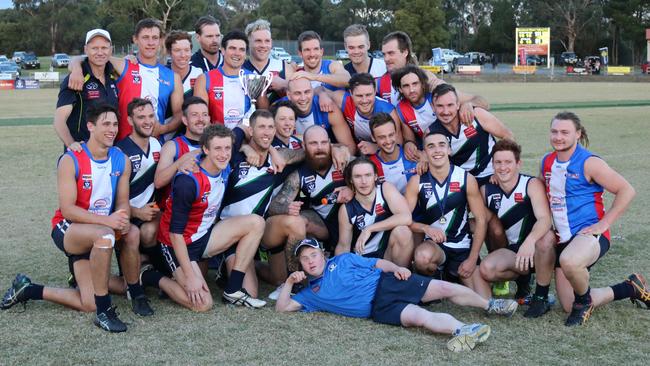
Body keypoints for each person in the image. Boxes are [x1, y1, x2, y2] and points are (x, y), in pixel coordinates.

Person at [2, 104, 151, 332]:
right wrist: (108, 222)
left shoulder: (121, 160)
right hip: (70, 229)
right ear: (90, 126)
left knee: (130, 233)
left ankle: (28, 289)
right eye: (106, 124)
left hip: (103, 231)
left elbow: (122, 200)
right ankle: (104, 312)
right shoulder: (71, 159)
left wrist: (120, 216)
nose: (112, 129)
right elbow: (68, 209)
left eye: (114, 124)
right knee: (105, 236)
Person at [276, 238, 519, 352]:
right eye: (305, 259)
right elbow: (282, 308)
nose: (310, 261)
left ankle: (490, 304)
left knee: (444, 289)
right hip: (378, 310)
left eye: (313, 255)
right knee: (420, 317)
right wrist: (288, 282)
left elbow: (377, 263)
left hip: (388, 283)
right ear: (300, 265)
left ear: (323, 255)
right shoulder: (310, 294)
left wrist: (397, 268)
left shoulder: (343, 260)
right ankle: (464, 330)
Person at [540, 111, 647, 326]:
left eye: (565, 132)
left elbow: (627, 190)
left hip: (589, 236)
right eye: (554, 131)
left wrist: (604, 224)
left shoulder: (589, 162)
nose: (558, 137)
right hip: (563, 238)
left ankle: (583, 303)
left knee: (569, 261)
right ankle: (630, 288)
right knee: (569, 304)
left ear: (577, 134)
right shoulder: (547, 161)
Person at [156, 124, 267, 309]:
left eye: (227, 148)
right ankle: (152, 277)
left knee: (257, 223)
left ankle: (233, 290)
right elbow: (175, 234)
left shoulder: (225, 162)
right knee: (203, 304)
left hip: (205, 236)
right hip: (177, 243)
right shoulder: (188, 180)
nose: (223, 154)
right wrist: (190, 277)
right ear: (205, 149)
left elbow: (244, 129)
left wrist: (249, 147)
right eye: (217, 149)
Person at [69, 19, 184, 142]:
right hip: (122, 146)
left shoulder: (173, 77)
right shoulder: (123, 65)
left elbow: (179, 114)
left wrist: (163, 129)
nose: (150, 42)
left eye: (155, 38)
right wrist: (76, 69)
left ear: (161, 41)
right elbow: (88, 57)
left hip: (155, 148)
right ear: (135, 39)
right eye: (145, 37)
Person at [266, 125, 353, 288]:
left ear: (330, 143)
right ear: (304, 146)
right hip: (323, 225)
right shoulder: (299, 175)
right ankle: (296, 279)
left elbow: (370, 180)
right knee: (298, 220)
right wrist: (287, 208)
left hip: (352, 224)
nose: (319, 148)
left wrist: (353, 189)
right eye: (313, 143)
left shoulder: (345, 161)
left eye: (323, 143)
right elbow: (275, 205)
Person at [406, 132, 491, 299]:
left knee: (485, 299)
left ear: (450, 150)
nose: (437, 150)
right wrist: (425, 228)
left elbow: (481, 220)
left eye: (441, 145)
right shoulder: (417, 181)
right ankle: (437, 274)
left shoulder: (466, 178)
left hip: (462, 247)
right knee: (423, 258)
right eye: (431, 146)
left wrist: (473, 258)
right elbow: (404, 220)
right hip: (435, 246)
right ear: (425, 152)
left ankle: (452, 275)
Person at [477, 139, 555, 317]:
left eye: (508, 162)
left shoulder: (531, 184)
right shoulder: (487, 190)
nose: (503, 167)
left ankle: (540, 297)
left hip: (537, 248)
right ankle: (524, 277)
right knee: (486, 269)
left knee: (546, 238)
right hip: (512, 251)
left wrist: (529, 242)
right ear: (492, 164)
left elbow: (544, 219)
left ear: (518, 163)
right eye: (498, 162)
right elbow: (480, 221)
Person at [429, 84, 513, 187]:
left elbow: (508, 136)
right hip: (463, 182)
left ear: (458, 104)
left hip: (492, 174)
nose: (446, 112)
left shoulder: (475, 114)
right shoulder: (431, 132)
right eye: (440, 106)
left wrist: (500, 170)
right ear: (432, 107)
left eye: (450, 105)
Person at [336, 157, 414, 267]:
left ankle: (400, 278)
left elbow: (406, 217)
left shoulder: (385, 189)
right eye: (358, 176)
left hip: (388, 253)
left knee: (403, 231)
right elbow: (343, 246)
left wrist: (369, 229)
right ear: (351, 180)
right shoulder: (346, 209)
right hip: (364, 261)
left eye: (368, 175)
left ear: (375, 176)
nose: (364, 181)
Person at [115, 98, 163, 272]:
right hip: (125, 213)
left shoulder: (158, 144)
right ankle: (136, 270)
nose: (148, 121)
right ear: (130, 120)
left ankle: (160, 270)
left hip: (149, 212)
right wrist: (136, 212)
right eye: (141, 117)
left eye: (151, 116)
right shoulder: (119, 151)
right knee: (132, 236)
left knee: (150, 232)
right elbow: (110, 195)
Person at [54, 29, 118, 152]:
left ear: (111, 50)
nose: (100, 52)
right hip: (82, 153)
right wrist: (71, 144)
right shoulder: (76, 78)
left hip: (107, 154)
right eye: (94, 48)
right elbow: (59, 120)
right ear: (86, 50)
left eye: (104, 48)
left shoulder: (113, 76)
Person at [194, 30, 267, 128]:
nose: (237, 53)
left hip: (247, 140)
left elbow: (264, 115)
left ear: (245, 54)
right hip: (216, 139)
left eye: (241, 49)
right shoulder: (204, 79)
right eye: (232, 48)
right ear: (223, 50)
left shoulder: (255, 79)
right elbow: (200, 118)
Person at [331, 72, 401, 155]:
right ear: (351, 93)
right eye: (359, 96)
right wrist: (322, 95)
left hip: (382, 153)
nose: (364, 100)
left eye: (368, 95)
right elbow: (320, 90)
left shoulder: (388, 111)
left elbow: (399, 145)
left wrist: (376, 147)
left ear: (375, 92)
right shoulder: (344, 100)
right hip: (356, 150)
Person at [285, 77, 356, 154]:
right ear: (289, 95)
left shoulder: (328, 109)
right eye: (297, 93)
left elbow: (350, 147)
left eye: (307, 92)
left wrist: (332, 150)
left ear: (312, 91)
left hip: (325, 157)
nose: (303, 98)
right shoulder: (280, 110)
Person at [368, 113, 417, 194]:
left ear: (396, 133)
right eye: (382, 137)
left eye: (391, 135)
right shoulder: (370, 165)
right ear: (373, 138)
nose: (388, 141)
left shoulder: (413, 155)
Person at [243, 19, 291, 103]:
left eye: (267, 41)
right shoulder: (240, 69)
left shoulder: (284, 66)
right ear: (248, 43)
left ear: (271, 42)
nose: (263, 45)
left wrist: (286, 84)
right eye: (258, 41)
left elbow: (298, 93)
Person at [166, 31, 203, 100]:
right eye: (177, 50)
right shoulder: (161, 74)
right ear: (169, 52)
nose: (183, 55)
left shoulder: (199, 74)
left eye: (187, 50)